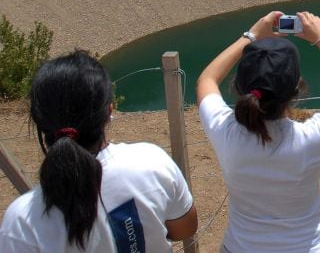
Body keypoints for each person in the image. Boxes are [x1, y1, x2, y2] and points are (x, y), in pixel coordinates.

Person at [0, 51, 198, 252]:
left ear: (40, 122)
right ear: (109, 112)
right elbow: (185, 229)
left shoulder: (20, 223)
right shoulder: (151, 162)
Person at [197, 10, 320, 253]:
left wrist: (252, 34)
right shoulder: (310, 138)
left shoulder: (225, 131)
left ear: (240, 86)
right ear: (297, 88)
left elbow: (207, 79)